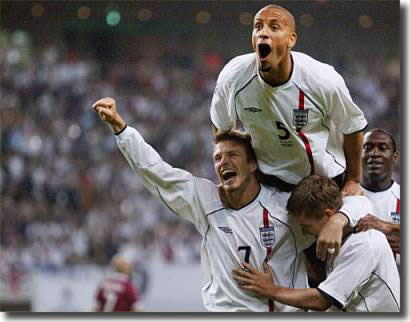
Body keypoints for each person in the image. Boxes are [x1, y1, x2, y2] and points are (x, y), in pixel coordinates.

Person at [92, 97, 371, 312]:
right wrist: (121, 129)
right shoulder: (203, 199)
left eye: (232, 155)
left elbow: (357, 205)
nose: (223, 162)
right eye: (217, 158)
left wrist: (339, 219)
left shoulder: (285, 207)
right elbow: (157, 172)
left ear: (252, 164)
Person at [210, 4, 367, 197]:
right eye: (258, 27)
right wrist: (232, 177)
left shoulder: (322, 79)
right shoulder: (233, 76)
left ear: (291, 39)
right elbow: (221, 130)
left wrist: (353, 180)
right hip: (266, 180)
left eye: (274, 27)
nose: (263, 33)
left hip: (321, 182)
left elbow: (352, 127)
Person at [233, 175, 400, 312]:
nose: (305, 233)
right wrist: (338, 220)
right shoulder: (347, 227)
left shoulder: (363, 245)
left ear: (328, 215)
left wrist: (271, 290)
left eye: (307, 226)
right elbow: (357, 203)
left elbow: (322, 301)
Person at [357, 128, 400, 266]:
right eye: (367, 147)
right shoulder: (346, 197)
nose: (374, 153)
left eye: (382, 148)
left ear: (395, 157)